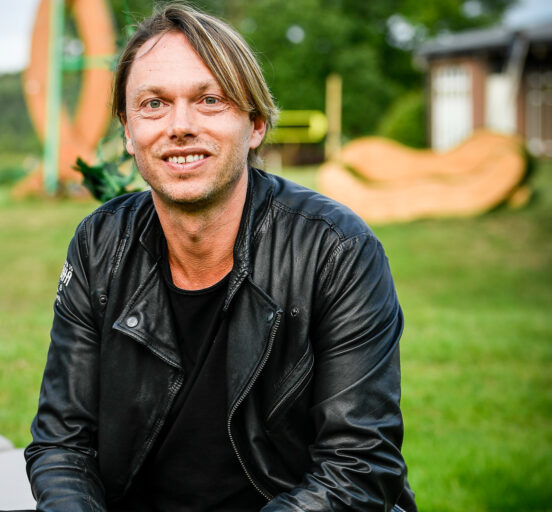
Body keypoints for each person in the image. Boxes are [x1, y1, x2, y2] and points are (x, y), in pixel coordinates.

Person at [25, 4, 416, 511]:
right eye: (153, 104)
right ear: (127, 131)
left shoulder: (336, 249)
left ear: (255, 124)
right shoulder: (99, 245)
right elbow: (63, 446)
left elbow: (358, 467)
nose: (180, 125)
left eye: (209, 100)